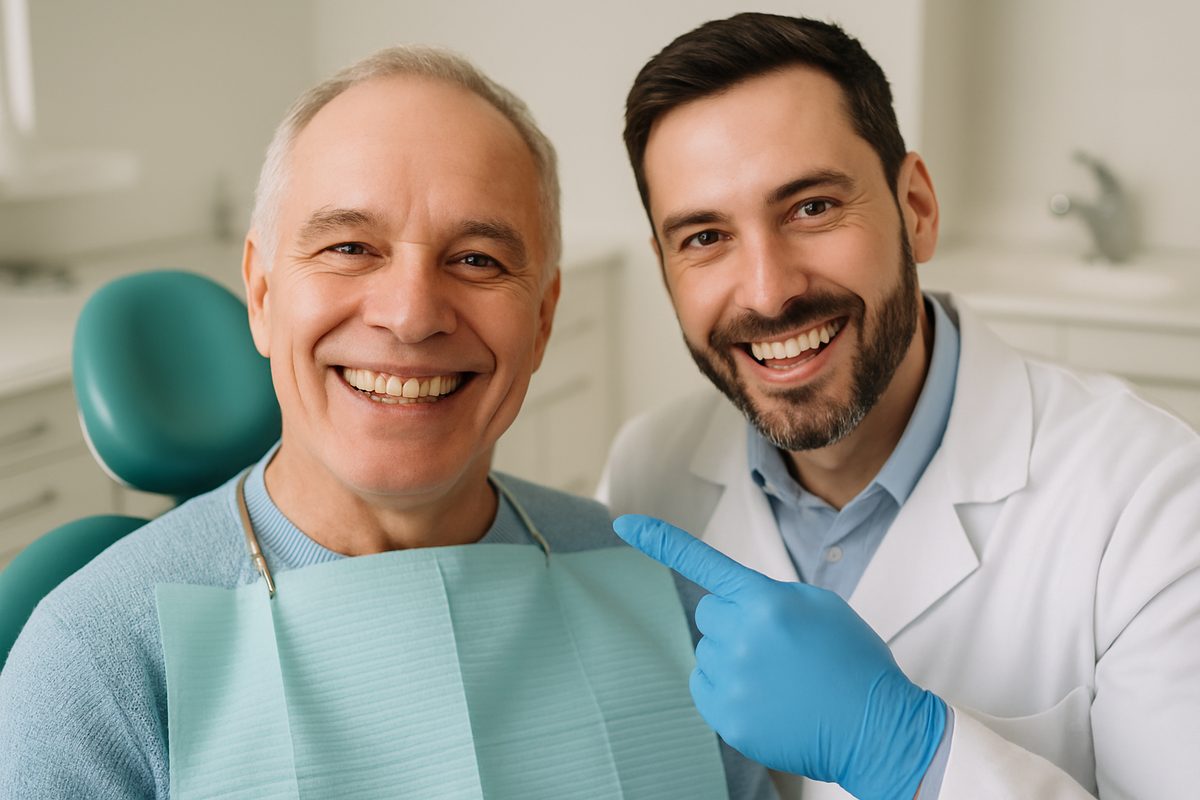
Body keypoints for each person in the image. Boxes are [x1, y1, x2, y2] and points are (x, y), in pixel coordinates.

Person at [0, 46, 775, 799]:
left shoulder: (663, 600)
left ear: (542, 322)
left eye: (477, 259)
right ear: (263, 297)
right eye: (350, 247)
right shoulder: (97, 663)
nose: (410, 315)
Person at [599, 12, 1200, 800]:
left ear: (916, 208)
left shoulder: (1154, 498)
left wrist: (916, 758)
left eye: (811, 207)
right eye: (705, 237)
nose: (769, 291)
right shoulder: (646, 473)